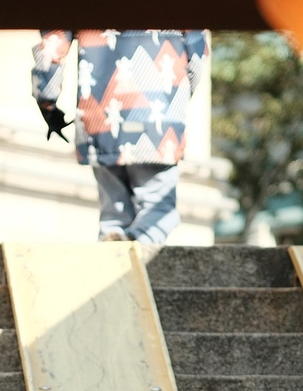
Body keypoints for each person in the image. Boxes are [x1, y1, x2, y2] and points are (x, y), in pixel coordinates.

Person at [32, 29, 209, 244]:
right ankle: (134, 248)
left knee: (113, 217)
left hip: (99, 120)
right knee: (160, 211)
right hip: (158, 125)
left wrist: (48, 103)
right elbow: (197, 56)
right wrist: (176, 97)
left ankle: (115, 251)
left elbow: (51, 46)